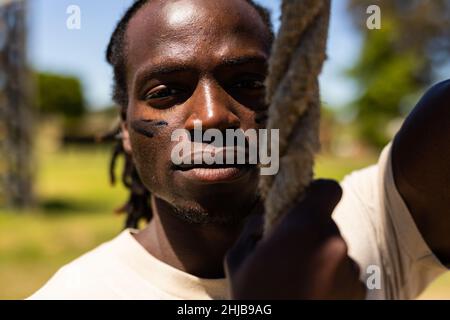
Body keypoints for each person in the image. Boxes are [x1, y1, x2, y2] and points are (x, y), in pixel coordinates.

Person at [29, 0, 449, 300]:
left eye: (249, 82)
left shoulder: (366, 229)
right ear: (125, 128)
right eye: (167, 91)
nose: (212, 117)